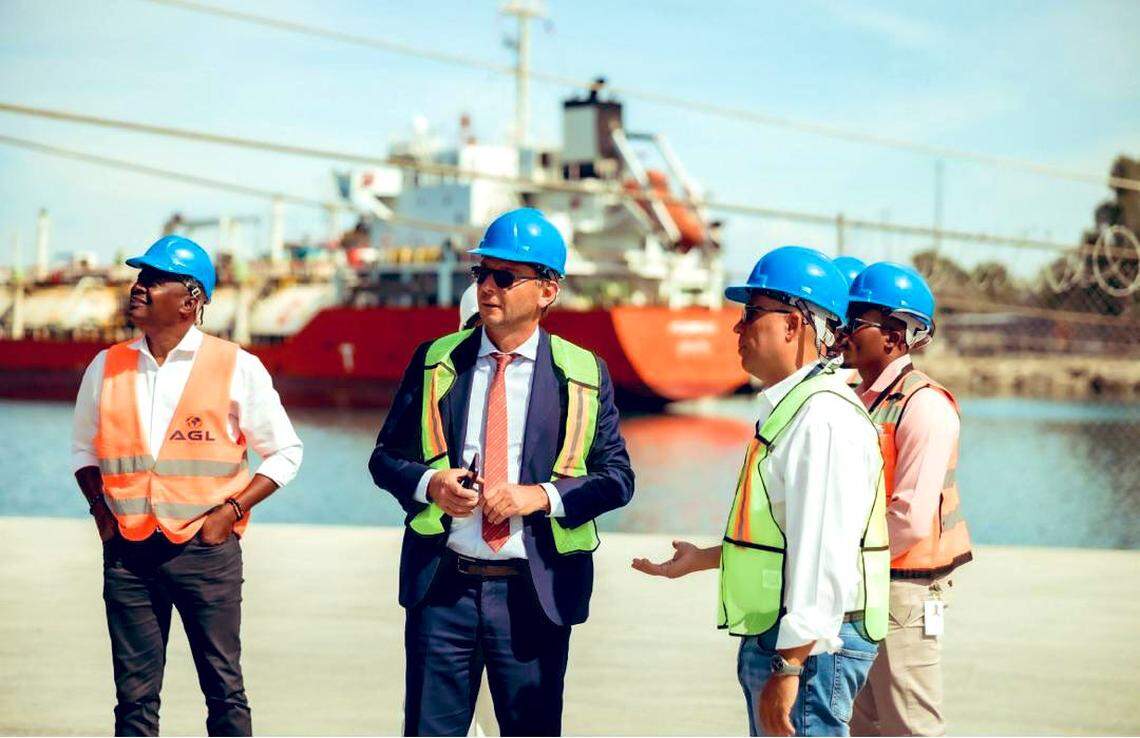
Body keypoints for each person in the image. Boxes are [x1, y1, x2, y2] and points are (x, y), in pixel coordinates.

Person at [369, 208, 635, 736]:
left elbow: (617, 477)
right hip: (442, 590)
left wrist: (539, 496)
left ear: (547, 291)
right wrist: (431, 485)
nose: (488, 287)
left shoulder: (582, 374)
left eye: (504, 277)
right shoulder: (435, 361)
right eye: (481, 274)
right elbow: (384, 458)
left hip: (533, 597)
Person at [632, 245, 889, 737]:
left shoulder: (823, 419)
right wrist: (707, 557)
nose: (737, 327)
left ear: (793, 326)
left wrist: (789, 668)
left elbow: (824, 557)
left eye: (751, 314)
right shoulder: (799, 409)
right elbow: (790, 537)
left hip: (808, 651)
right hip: (791, 639)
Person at [72, 235, 303, 736]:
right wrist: (102, 515)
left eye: (154, 280)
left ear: (191, 299)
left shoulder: (237, 366)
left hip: (206, 553)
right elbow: (84, 453)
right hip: (129, 553)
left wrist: (230, 514)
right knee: (133, 701)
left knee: (224, 691)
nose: (138, 287)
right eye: (139, 278)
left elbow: (286, 451)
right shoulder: (105, 367)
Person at [841, 262, 973, 737]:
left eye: (857, 320)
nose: (844, 329)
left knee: (909, 727)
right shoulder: (864, 398)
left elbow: (911, 521)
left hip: (907, 593)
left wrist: (842, 564)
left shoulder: (924, 406)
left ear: (895, 335)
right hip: (871, 581)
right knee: (864, 725)